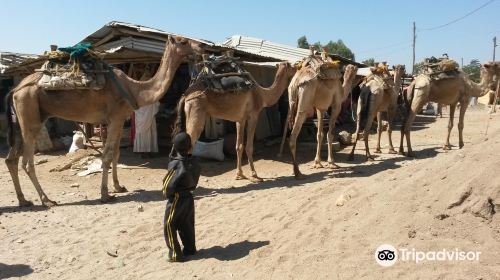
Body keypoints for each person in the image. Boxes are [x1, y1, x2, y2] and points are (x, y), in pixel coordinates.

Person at [162, 132, 201, 262]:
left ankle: (175, 254)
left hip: (177, 199)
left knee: (169, 225)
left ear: (174, 146)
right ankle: (190, 249)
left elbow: (167, 186)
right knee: (187, 224)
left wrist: (167, 194)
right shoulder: (194, 161)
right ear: (190, 146)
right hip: (189, 197)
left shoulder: (175, 164)